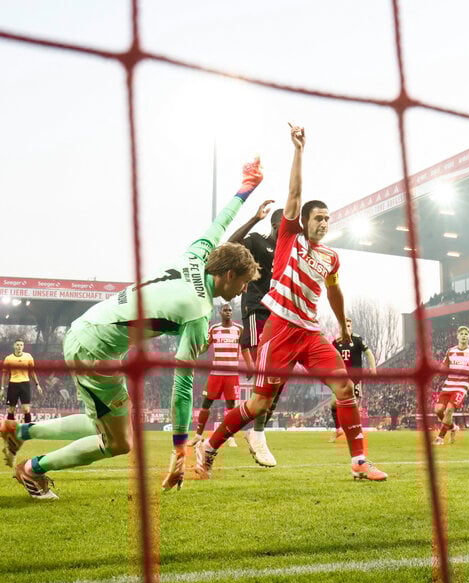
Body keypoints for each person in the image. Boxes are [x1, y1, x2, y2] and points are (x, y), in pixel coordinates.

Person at [0, 159, 264, 498]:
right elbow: (182, 386)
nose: (244, 290)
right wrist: (179, 448)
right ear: (228, 275)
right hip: (94, 350)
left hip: (90, 332)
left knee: (104, 422)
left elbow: (219, 223)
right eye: (244, 282)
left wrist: (245, 188)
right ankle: (32, 470)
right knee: (119, 442)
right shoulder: (199, 313)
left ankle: (19, 431)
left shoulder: (195, 255)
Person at [197, 123, 387, 482]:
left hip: (311, 335)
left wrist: (343, 325)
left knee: (345, 387)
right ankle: (209, 447)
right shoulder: (289, 237)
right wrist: (299, 150)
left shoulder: (330, 257)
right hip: (280, 329)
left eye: (328, 218)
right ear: (304, 221)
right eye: (319, 218)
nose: (324, 223)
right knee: (259, 403)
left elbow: (334, 292)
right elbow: (295, 192)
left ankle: (360, 461)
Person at [228, 198, 281, 467]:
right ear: (275, 225)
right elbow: (231, 244)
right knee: (267, 375)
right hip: (257, 312)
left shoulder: (291, 252)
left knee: (277, 381)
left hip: (280, 316)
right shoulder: (259, 242)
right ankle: (253, 433)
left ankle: (253, 432)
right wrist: (254, 219)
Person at [186, 304, 245, 450]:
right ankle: (198, 435)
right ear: (220, 312)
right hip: (216, 373)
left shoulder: (239, 329)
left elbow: (244, 348)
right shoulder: (214, 329)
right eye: (225, 310)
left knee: (231, 406)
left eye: (230, 310)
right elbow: (205, 346)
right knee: (206, 403)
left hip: (232, 374)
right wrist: (193, 351)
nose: (228, 312)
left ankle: (230, 437)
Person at [433, 326, 469, 445]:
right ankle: (453, 427)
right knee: (438, 410)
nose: (463, 336)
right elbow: (443, 368)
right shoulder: (450, 351)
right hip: (448, 385)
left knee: (449, 410)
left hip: (461, 386)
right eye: (461, 333)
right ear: (457, 336)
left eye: (466, 334)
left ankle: (440, 438)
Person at [329, 317, 377, 442]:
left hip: (355, 378)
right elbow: (328, 356)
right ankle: (338, 430)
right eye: (345, 326)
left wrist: (373, 368)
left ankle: (356, 432)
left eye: (349, 326)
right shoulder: (336, 342)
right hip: (340, 378)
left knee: (354, 405)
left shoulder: (357, 339)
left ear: (352, 327)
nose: (347, 328)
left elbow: (369, 353)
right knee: (333, 403)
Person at [3, 339, 43, 442]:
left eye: (21, 345)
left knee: (26, 409)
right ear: (14, 346)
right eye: (17, 345)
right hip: (13, 384)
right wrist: (2, 388)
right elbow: (4, 374)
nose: (19, 347)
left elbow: (32, 372)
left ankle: (27, 432)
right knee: (11, 409)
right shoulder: (8, 358)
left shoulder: (28, 357)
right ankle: (10, 433)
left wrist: (37, 384)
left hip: (25, 384)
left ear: (23, 346)